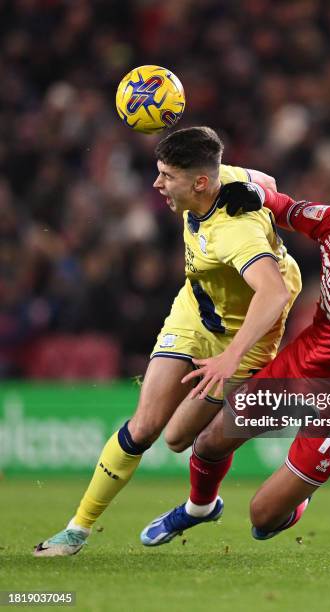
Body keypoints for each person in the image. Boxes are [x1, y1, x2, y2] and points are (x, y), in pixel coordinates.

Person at [34, 127, 301, 556]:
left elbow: (274, 292)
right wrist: (255, 185)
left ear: (199, 182)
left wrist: (230, 359)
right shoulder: (217, 180)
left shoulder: (234, 233)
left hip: (246, 333)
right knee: (144, 427)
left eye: (166, 176)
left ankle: (206, 503)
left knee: (179, 439)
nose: (157, 184)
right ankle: (76, 530)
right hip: (195, 310)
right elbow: (265, 180)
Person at [143, 175, 330, 544]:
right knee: (208, 443)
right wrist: (255, 193)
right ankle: (199, 507)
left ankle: (297, 497)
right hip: (304, 362)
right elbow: (286, 207)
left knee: (262, 519)